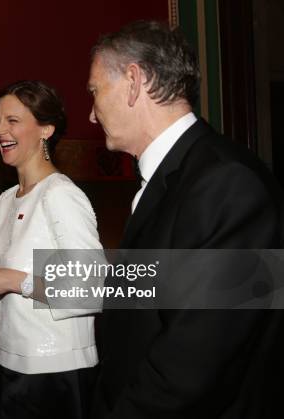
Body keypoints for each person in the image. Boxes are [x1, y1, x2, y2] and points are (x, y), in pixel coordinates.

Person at [87, 20, 284, 418]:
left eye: (95, 92)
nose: (91, 115)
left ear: (133, 80)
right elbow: (146, 291)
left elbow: (196, 362)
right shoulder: (174, 175)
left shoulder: (229, 182)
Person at [0, 80, 104, 419]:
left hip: (52, 373)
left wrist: (14, 280)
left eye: (13, 120)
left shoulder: (60, 194)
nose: (0, 130)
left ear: (46, 129)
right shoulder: (6, 198)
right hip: (5, 361)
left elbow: (92, 288)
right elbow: (3, 279)